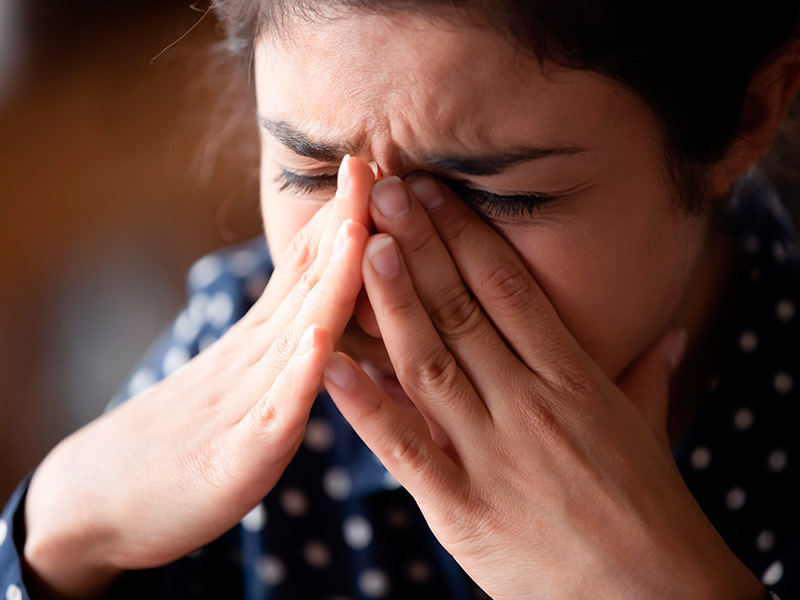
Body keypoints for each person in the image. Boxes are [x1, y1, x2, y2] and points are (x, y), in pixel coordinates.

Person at [2, 1, 800, 598]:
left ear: (748, 115)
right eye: (312, 176)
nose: (380, 276)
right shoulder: (230, 353)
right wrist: (69, 520)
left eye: (496, 197)